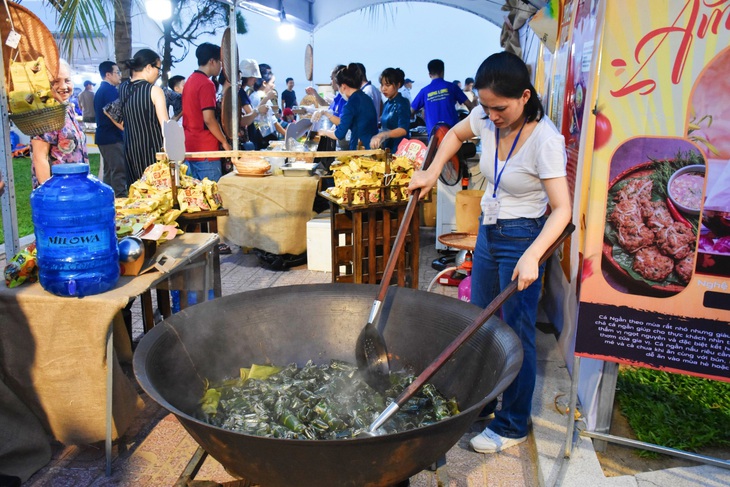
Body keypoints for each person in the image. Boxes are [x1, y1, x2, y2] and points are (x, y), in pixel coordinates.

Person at [408, 51, 571, 454]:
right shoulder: (484, 116)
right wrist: (430, 171)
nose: (491, 116)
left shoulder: (546, 140)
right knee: (475, 322)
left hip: (523, 237)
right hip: (489, 230)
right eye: (485, 106)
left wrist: (533, 255)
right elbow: (453, 135)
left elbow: (563, 209)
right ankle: (477, 406)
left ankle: (513, 423)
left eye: (500, 108)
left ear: (525, 96)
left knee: (516, 335)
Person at [30, 60, 88, 189]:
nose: (63, 86)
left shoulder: (67, 108)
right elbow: (40, 158)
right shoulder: (45, 113)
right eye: (55, 81)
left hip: (76, 187)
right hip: (58, 192)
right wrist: (49, 194)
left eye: (67, 80)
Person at [182, 43, 231, 182]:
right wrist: (224, 142)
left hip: (190, 146)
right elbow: (208, 119)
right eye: (220, 62)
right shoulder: (206, 84)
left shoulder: (190, 80)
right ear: (212, 61)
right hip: (206, 149)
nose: (221, 66)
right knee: (212, 196)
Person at [119, 49, 169, 185]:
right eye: (158, 68)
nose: (158, 73)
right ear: (148, 67)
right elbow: (166, 127)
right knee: (155, 194)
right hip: (152, 150)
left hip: (130, 150)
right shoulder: (154, 90)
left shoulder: (123, 88)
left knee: (136, 192)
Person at [319, 63, 377, 150]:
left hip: (360, 151)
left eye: (339, 87)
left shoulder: (350, 105)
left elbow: (339, 134)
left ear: (343, 86)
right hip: (372, 146)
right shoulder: (367, 98)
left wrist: (324, 132)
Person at [411, 59, 474, 136]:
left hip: (433, 136)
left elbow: (411, 112)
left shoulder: (424, 91)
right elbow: (470, 105)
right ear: (443, 72)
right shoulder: (452, 87)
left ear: (429, 74)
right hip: (452, 134)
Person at [94, 61, 127, 196]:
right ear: (108, 75)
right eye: (117, 72)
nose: (120, 75)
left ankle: (107, 198)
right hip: (112, 137)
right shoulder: (109, 91)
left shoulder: (101, 90)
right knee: (119, 170)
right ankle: (120, 200)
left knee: (109, 171)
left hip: (104, 137)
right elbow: (115, 115)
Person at [370, 67, 410, 152]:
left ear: (398, 85)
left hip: (399, 150)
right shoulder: (387, 103)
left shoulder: (402, 103)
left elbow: (403, 130)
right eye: (382, 85)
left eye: (388, 85)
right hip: (388, 149)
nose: (383, 88)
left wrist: (384, 134)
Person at [249, 63, 286, 149]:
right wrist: (286, 135)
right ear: (264, 83)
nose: (274, 85)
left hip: (265, 137)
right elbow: (254, 117)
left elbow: (274, 121)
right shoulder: (259, 96)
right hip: (261, 138)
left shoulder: (261, 96)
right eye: (272, 82)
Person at [238, 59, 262, 150]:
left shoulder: (241, 91)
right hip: (246, 134)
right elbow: (251, 113)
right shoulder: (241, 92)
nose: (255, 79)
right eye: (253, 76)